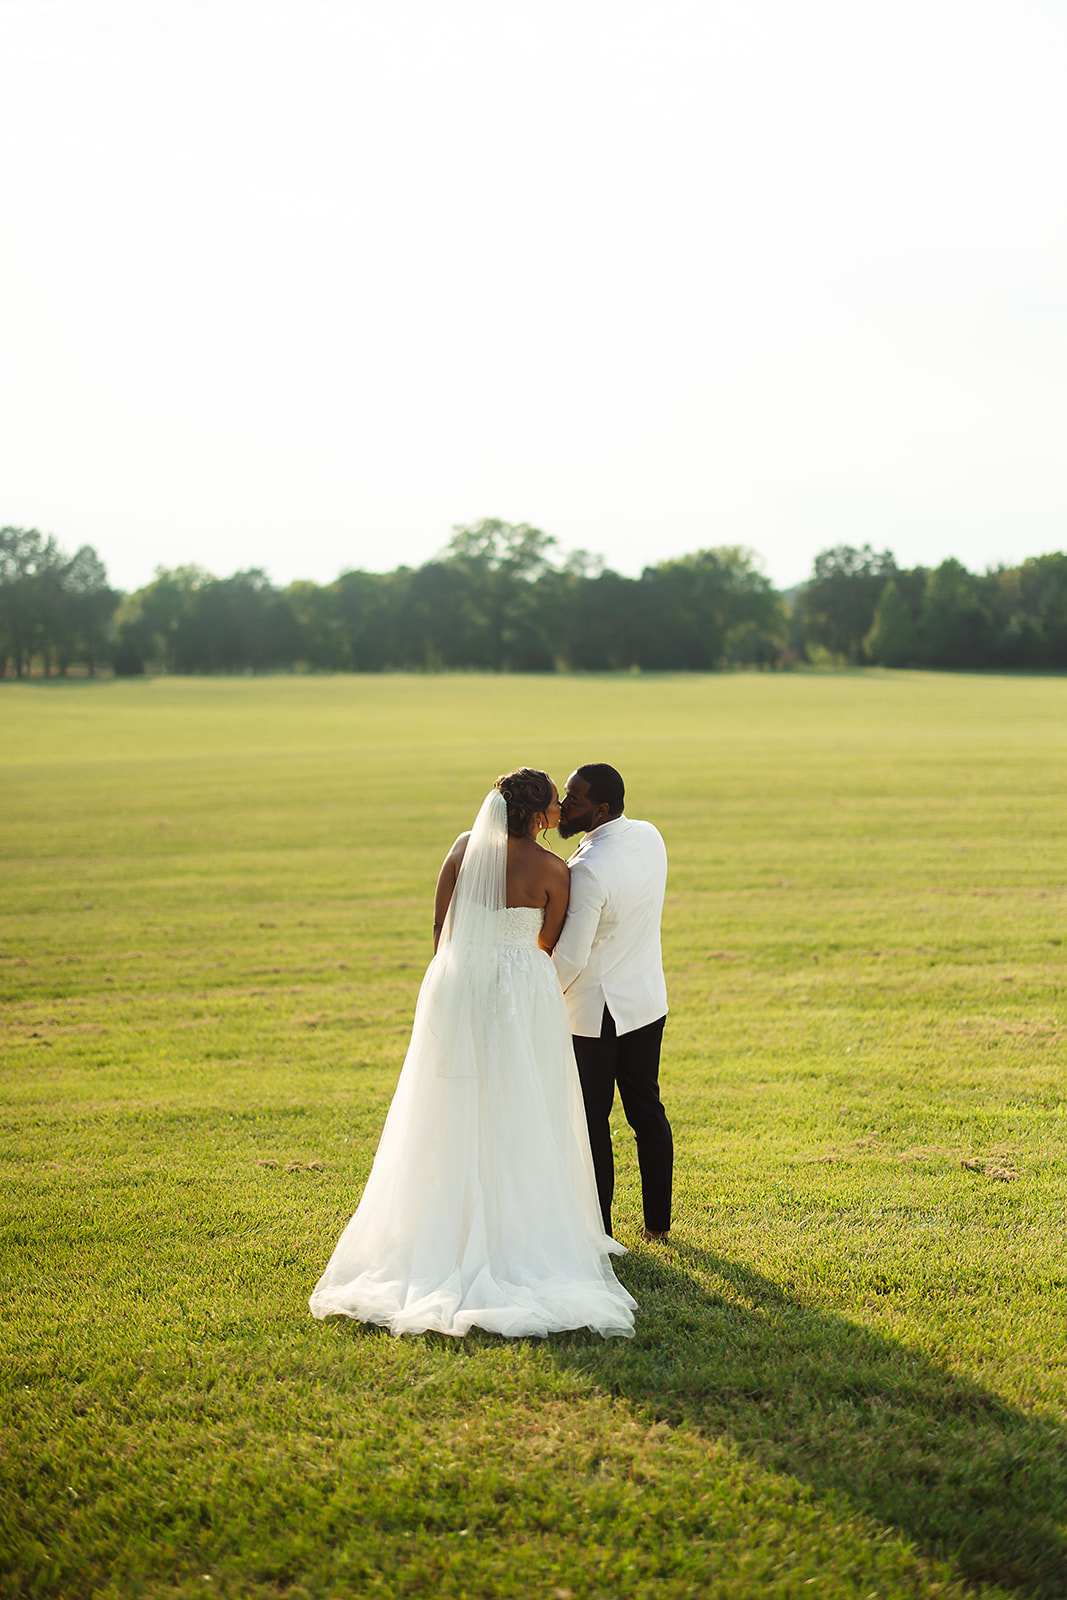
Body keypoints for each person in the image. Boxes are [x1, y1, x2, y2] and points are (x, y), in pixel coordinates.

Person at [309, 767, 636, 1339]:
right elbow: (548, 942)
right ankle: (517, 1229)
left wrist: (456, 977)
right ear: (537, 816)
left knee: (452, 1101)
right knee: (521, 1103)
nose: (560, 813)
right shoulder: (555, 869)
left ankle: (447, 1224)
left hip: (457, 983)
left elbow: (442, 924)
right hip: (521, 994)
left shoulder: (463, 849)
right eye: (555, 805)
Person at [553, 763, 673, 1243]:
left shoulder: (587, 870)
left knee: (591, 1121)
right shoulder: (650, 835)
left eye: (574, 800)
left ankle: (599, 1233)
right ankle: (657, 1227)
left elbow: (571, 957)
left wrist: (535, 993)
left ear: (600, 809)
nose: (563, 806)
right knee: (647, 1112)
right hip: (647, 1000)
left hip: (595, 1012)